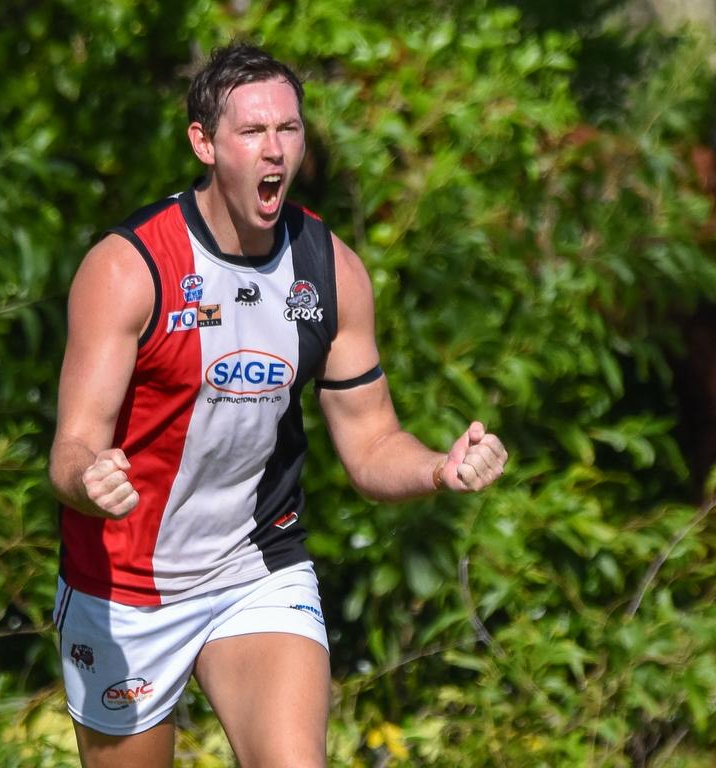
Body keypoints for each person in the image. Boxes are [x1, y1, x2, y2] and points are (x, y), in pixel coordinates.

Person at [48, 42, 508, 768]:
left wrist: (436, 470)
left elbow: (371, 443)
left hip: (255, 570)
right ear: (203, 142)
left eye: (288, 130)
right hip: (126, 585)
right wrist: (88, 481)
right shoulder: (128, 267)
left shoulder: (329, 270)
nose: (275, 151)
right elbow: (72, 447)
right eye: (252, 132)